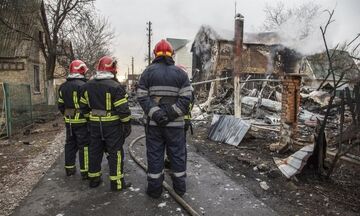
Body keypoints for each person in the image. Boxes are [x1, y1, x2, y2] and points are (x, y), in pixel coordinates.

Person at [137, 39, 192, 198]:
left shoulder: (147, 72)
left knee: (155, 156)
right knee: (177, 156)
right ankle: (180, 189)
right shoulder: (181, 74)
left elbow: (141, 96)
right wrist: (170, 114)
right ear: (172, 54)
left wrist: (156, 114)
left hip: (154, 125)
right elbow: (186, 100)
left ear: (155, 54)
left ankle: (154, 191)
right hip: (175, 126)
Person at [79, 56, 132, 191]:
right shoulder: (116, 87)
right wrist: (126, 125)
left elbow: (83, 107)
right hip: (112, 127)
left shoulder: (87, 86)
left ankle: (94, 180)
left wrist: (90, 120)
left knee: (95, 152)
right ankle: (117, 183)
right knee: (115, 153)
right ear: (112, 69)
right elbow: (123, 110)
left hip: (95, 127)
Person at [58, 60, 90, 179]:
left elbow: (61, 105)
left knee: (70, 145)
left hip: (69, 122)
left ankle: (69, 169)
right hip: (82, 122)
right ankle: (85, 171)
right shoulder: (84, 86)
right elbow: (87, 105)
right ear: (81, 71)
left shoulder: (63, 87)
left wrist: (68, 115)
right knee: (84, 147)